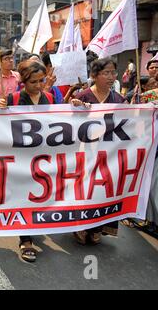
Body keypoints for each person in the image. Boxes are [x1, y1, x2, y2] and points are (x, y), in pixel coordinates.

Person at [0, 60, 54, 262]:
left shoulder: (49, 97)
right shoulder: (12, 99)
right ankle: (25, 239)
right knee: (24, 196)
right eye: (34, 82)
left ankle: (33, 227)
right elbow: (0, 126)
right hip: (20, 160)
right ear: (23, 81)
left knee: (40, 196)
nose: (38, 86)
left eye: (42, 81)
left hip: (44, 158)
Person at [71, 58, 126, 245]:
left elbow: (132, 125)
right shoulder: (83, 96)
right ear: (94, 76)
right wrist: (74, 107)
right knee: (83, 190)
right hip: (84, 154)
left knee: (103, 190)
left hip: (109, 155)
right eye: (106, 73)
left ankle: (97, 227)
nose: (111, 77)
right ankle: (80, 226)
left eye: (113, 73)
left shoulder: (119, 100)